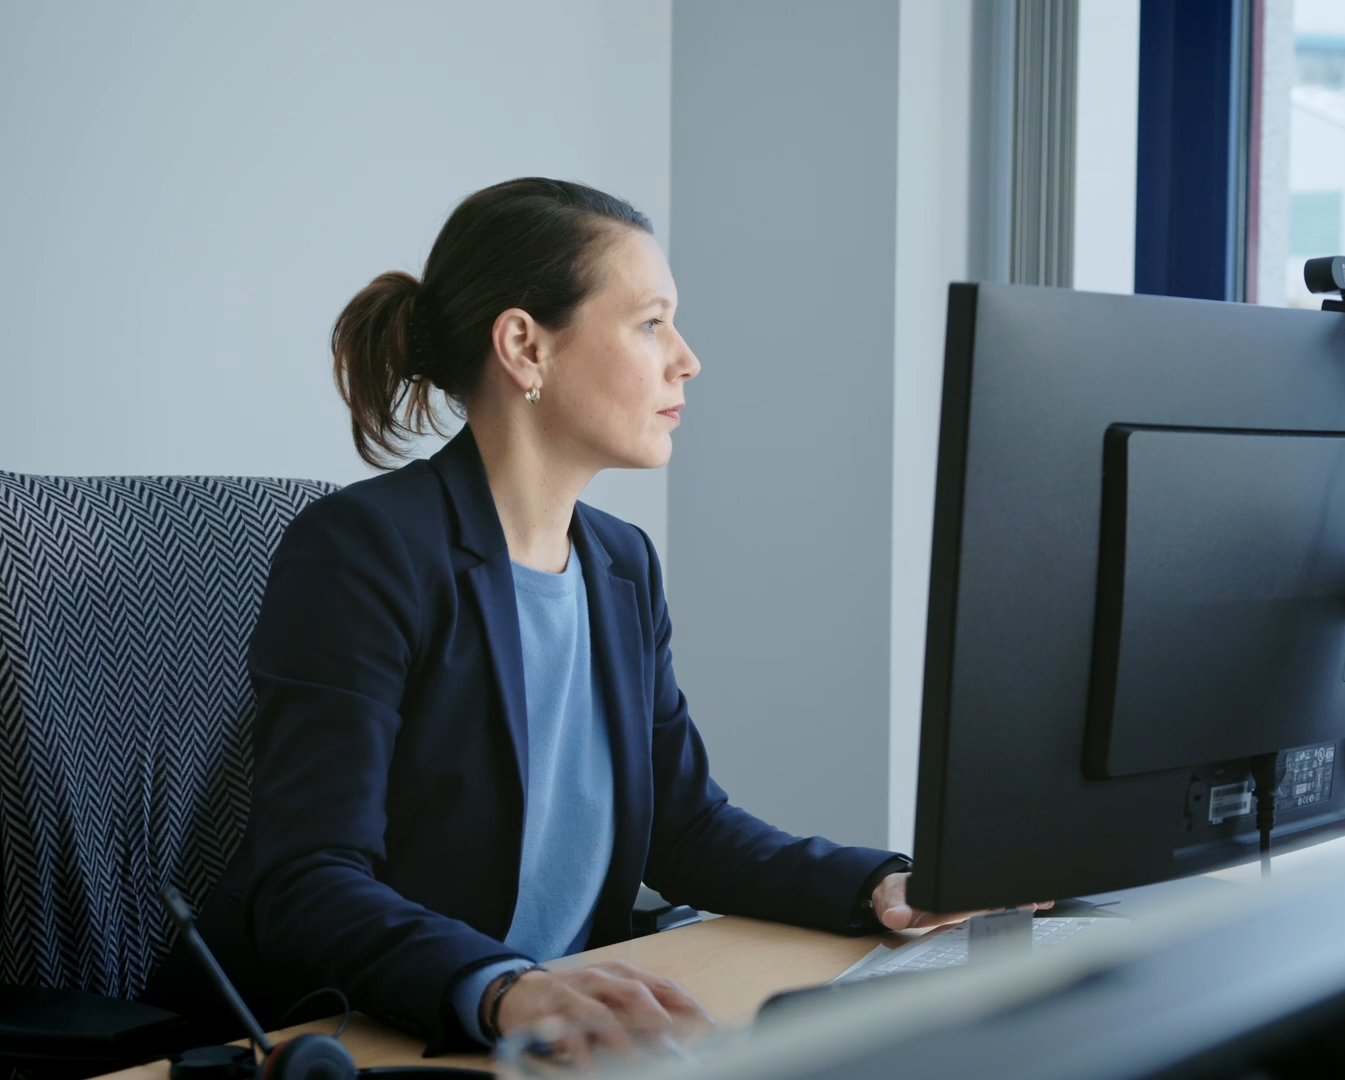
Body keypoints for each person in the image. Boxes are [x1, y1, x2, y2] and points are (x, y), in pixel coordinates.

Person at [146, 178, 1001, 1059]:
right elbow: (307, 879)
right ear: (525, 346)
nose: (687, 359)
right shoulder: (364, 548)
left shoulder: (620, 563)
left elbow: (684, 827)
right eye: (650, 323)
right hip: (342, 1037)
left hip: (552, 1037)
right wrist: (505, 988)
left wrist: (882, 885)